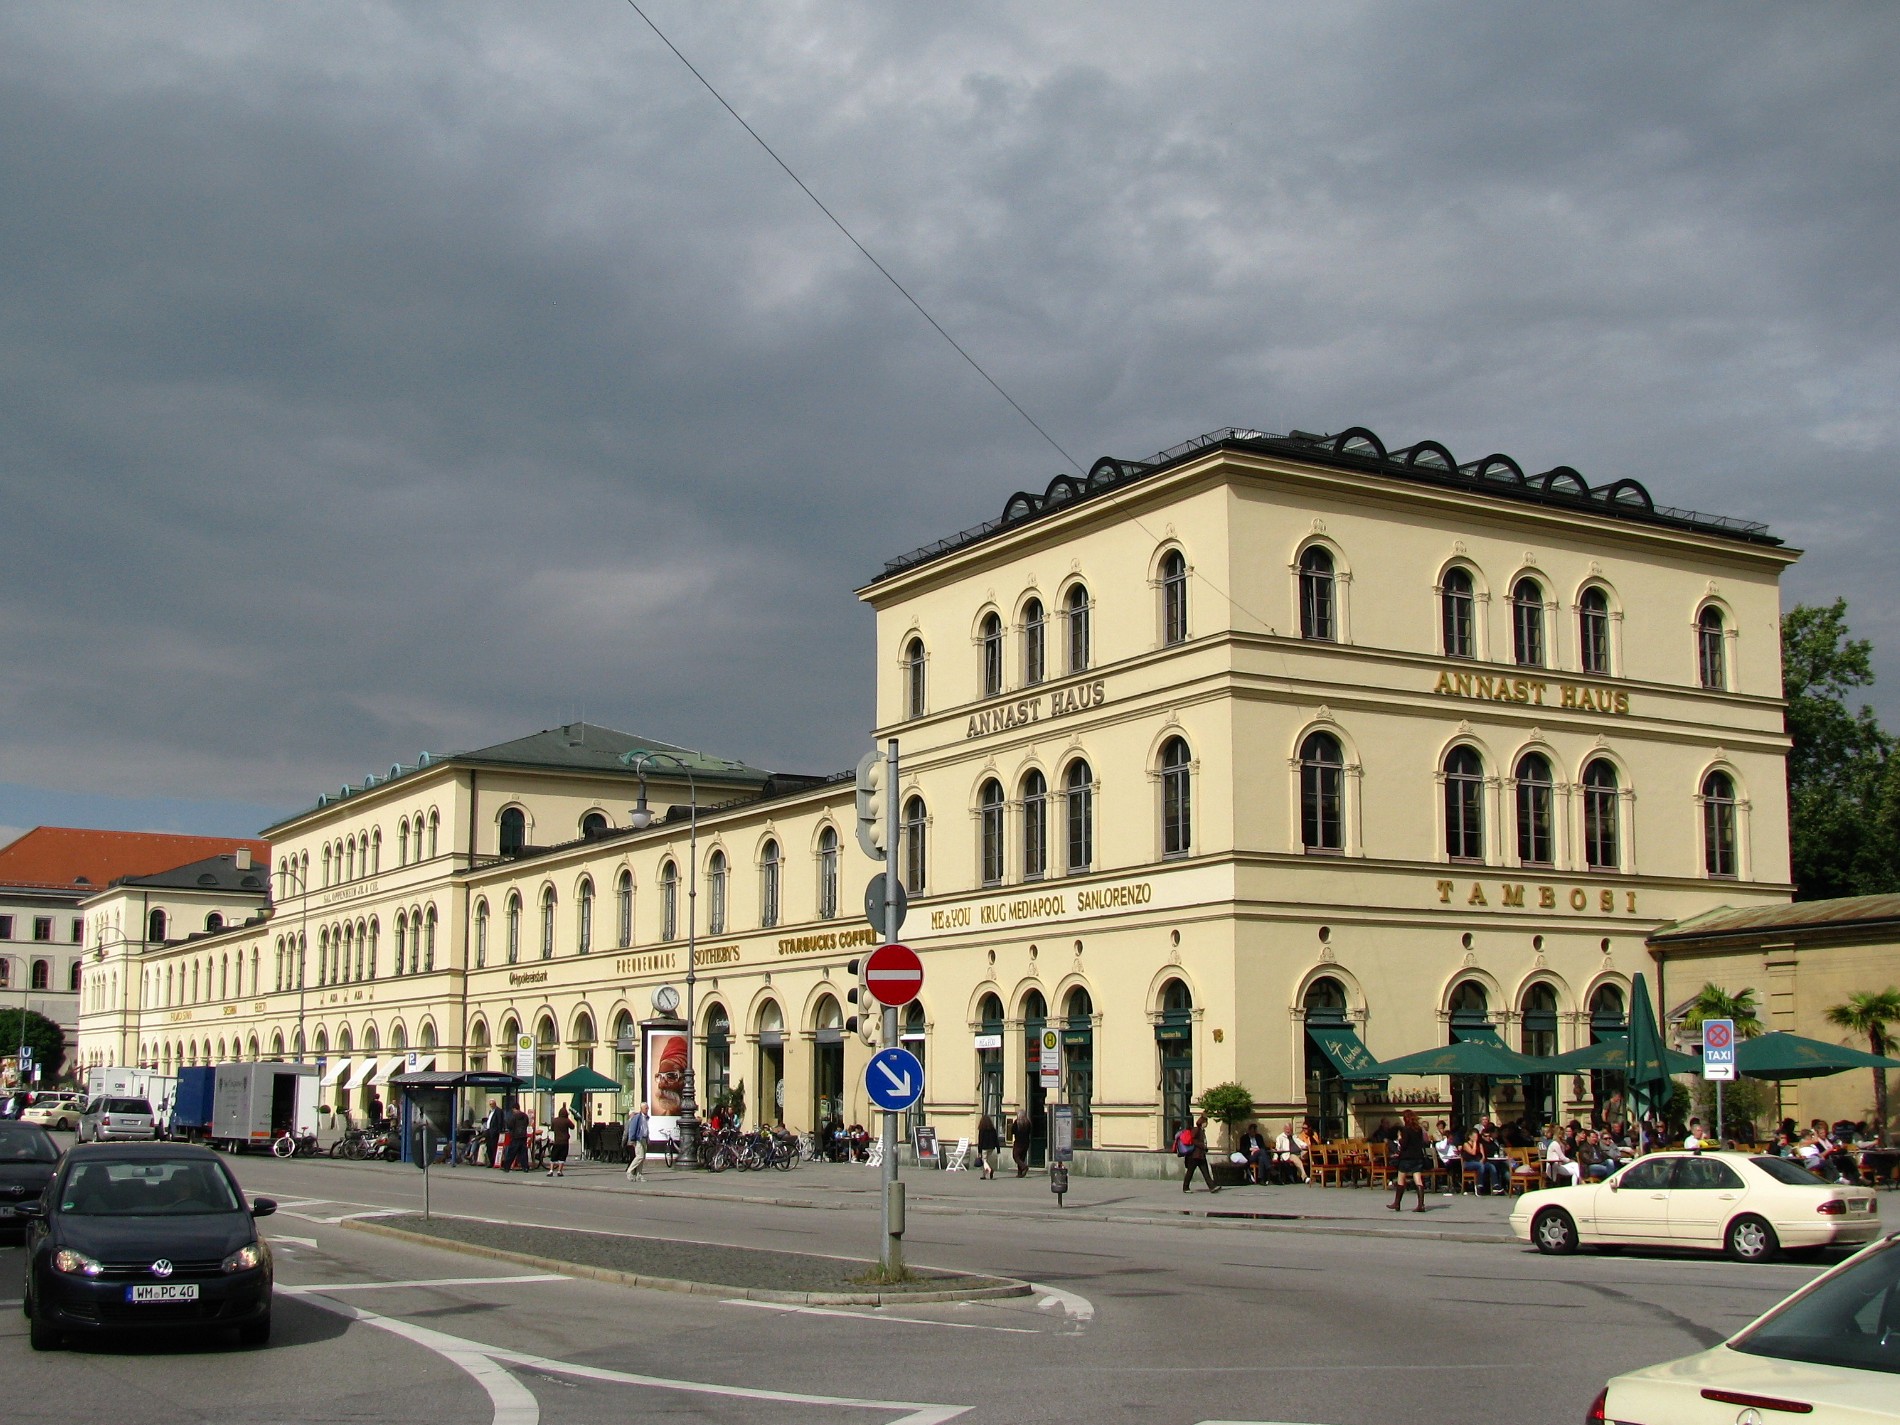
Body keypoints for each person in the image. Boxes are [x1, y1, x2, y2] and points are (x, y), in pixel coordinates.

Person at [1387, 1110, 1430, 1212]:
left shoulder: (1405, 1130)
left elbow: (1404, 1144)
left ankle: (1397, 1203)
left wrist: (1400, 1138)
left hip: (1406, 1158)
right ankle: (1421, 1204)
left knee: (1401, 1179)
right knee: (1418, 1180)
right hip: (1418, 1157)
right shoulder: (1418, 1129)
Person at [1181, 1113, 1220, 1193]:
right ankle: (1185, 1187)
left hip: (1200, 1155)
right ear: (1203, 1123)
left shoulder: (1202, 1131)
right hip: (1194, 1156)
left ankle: (1212, 1187)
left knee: (1205, 1172)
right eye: (1206, 1122)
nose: (1207, 1124)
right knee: (1190, 1172)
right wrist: (1202, 1146)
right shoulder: (1196, 1130)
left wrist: (1204, 1148)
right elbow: (1193, 1140)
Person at [1431, 1119, 1462, 1196]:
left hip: (1452, 1160)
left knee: (1458, 1164)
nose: (1452, 1140)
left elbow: (1455, 1152)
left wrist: (1457, 1152)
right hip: (1444, 1161)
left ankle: (1457, 1183)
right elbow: (1442, 1147)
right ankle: (1452, 1184)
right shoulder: (1439, 1144)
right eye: (1450, 1139)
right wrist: (1445, 1139)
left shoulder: (1451, 1145)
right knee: (1452, 1165)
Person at [624, 1100, 650, 1182]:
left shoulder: (646, 1117)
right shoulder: (637, 1117)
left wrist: (648, 1137)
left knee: (642, 1158)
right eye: (646, 1108)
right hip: (638, 1139)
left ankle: (639, 1174)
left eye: (647, 1108)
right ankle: (629, 1171)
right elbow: (632, 1128)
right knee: (640, 1156)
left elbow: (645, 1128)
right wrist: (632, 1139)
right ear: (641, 1108)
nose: (647, 1109)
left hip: (644, 1138)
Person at [503, 1101, 532, 1172]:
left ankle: (506, 1167)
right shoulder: (525, 1116)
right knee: (523, 1153)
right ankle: (525, 1167)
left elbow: (510, 1126)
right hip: (523, 1136)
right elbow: (527, 1123)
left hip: (515, 1136)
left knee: (512, 1152)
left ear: (514, 1109)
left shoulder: (514, 1116)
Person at [548, 1105, 572, 1177]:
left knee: (553, 1156)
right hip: (564, 1142)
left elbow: (552, 1128)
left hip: (557, 1141)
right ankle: (559, 1171)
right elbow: (573, 1127)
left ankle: (551, 1170)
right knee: (562, 1157)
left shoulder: (555, 1120)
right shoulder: (567, 1121)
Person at [975, 1114, 1001, 1179]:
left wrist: (979, 1151)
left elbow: (980, 1141)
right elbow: (996, 1139)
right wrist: (998, 1149)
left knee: (984, 1161)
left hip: (984, 1147)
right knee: (986, 1161)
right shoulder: (993, 1129)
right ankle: (984, 1175)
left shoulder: (982, 1130)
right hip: (991, 1147)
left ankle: (989, 1169)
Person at [481, 1100, 505, 1168]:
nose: (491, 1106)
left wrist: (499, 1131)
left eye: (492, 1104)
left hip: (494, 1131)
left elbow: (500, 1121)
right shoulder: (490, 1111)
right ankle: (491, 1161)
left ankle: (495, 1161)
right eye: (490, 1104)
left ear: (495, 1104)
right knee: (488, 1146)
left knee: (494, 1147)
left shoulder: (498, 1111)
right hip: (489, 1131)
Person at [1010, 1108, 1033, 1178]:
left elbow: (1012, 1131)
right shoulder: (1028, 1123)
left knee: (1016, 1156)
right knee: (1022, 1157)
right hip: (1026, 1142)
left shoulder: (1017, 1123)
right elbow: (1030, 1131)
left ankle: (1024, 1167)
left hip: (1018, 1142)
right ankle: (1020, 1173)